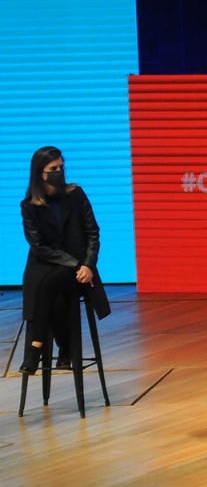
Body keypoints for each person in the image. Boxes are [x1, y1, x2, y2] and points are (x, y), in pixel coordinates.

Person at [19, 146, 111, 379]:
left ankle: (35, 349)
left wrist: (88, 265)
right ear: (40, 173)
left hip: (81, 269)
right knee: (53, 291)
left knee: (50, 287)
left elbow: (93, 232)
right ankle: (65, 350)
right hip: (49, 264)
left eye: (61, 167)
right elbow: (38, 246)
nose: (59, 171)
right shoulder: (29, 205)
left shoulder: (76, 194)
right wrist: (74, 264)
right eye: (53, 169)